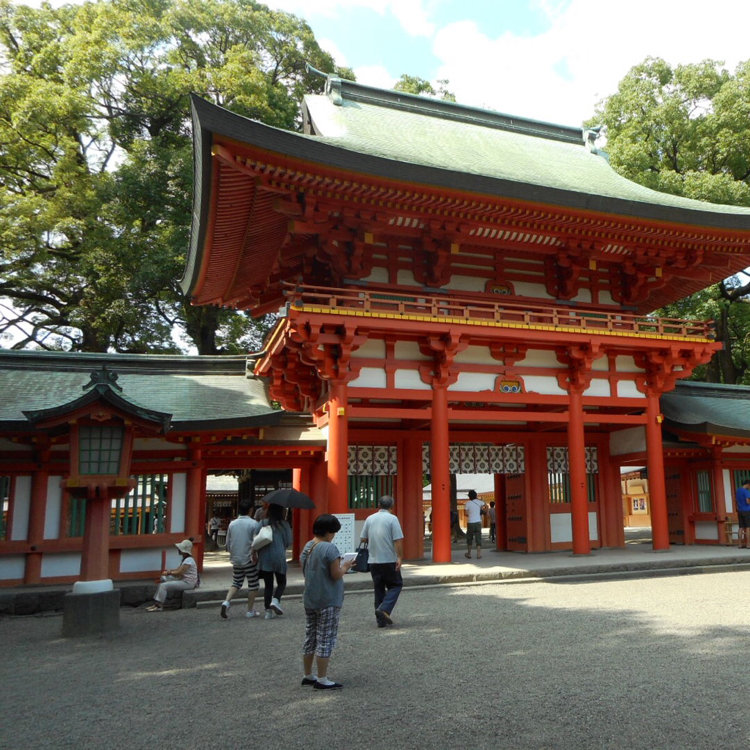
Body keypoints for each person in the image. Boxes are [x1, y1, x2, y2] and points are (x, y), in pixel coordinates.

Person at [300, 514, 355, 690]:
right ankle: (322, 678)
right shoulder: (329, 549)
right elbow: (336, 574)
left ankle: (308, 674)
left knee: (311, 636)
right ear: (329, 532)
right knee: (326, 637)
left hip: (310, 597)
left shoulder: (308, 546)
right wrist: (346, 566)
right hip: (328, 598)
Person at [360, 495, 404, 628]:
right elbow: (397, 540)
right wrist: (400, 557)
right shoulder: (392, 519)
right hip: (388, 558)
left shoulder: (370, 518)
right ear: (392, 506)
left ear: (378, 505)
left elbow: (363, 538)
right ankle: (384, 609)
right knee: (396, 585)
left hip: (373, 560)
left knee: (378, 588)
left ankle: (381, 621)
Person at [220, 499, 261, 619]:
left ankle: (226, 601)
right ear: (250, 510)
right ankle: (250, 610)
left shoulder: (232, 524)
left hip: (236, 558)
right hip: (248, 557)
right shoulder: (253, 524)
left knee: (236, 582)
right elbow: (256, 541)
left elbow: (228, 542)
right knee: (253, 584)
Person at [252, 503, 292, 619]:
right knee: (282, 582)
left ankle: (267, 612)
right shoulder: (284, 524)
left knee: (268, 585)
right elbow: (288, 541)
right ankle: (276, 600)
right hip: (279, 555)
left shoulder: (262, 523)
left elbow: (255, 537)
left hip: (265, 556)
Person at [146, 539, 198, 611]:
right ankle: (157, 603)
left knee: (163, 586)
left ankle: (159, 605)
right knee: (163, 579)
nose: (178, 550)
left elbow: (179, 572)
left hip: (188, 583)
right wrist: (169, 573)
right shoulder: (186, 559)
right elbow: (178, 571)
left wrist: (169, 572)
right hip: (183, 580)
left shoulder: (189, 560)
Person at [464, 489, 487, 559]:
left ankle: (469, 553)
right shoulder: (479, 502)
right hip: (478, 522)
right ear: (476, 495)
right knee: (478, 538)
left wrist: (470, 514)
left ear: (469, 496)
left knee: (469, 538)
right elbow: (486, 505)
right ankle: (478, 554)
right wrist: (485, 511)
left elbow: (465, 513)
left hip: (470, 522)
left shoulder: (467, 503)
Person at [735, 479, 750, 548]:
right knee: (748, 527)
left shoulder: (738, 490)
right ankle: (748, 544)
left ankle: (740, 544)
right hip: (747, 511)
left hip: (740, 510)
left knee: (741, 527)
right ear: (747, 484)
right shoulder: (746, 491)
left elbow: (737, 501)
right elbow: (747, 501)